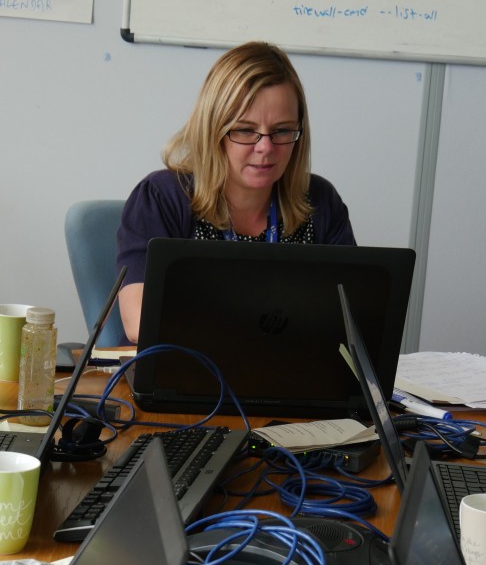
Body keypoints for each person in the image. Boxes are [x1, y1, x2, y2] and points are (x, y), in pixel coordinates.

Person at [115, 41, 356, 343]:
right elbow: (140, 321)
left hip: (288, 379)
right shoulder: (162, 197)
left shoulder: (320, 201)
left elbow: (351, 323)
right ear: (214, 130)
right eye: (244, 130)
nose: (265, 147)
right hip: (186, 376)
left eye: (282, 130)